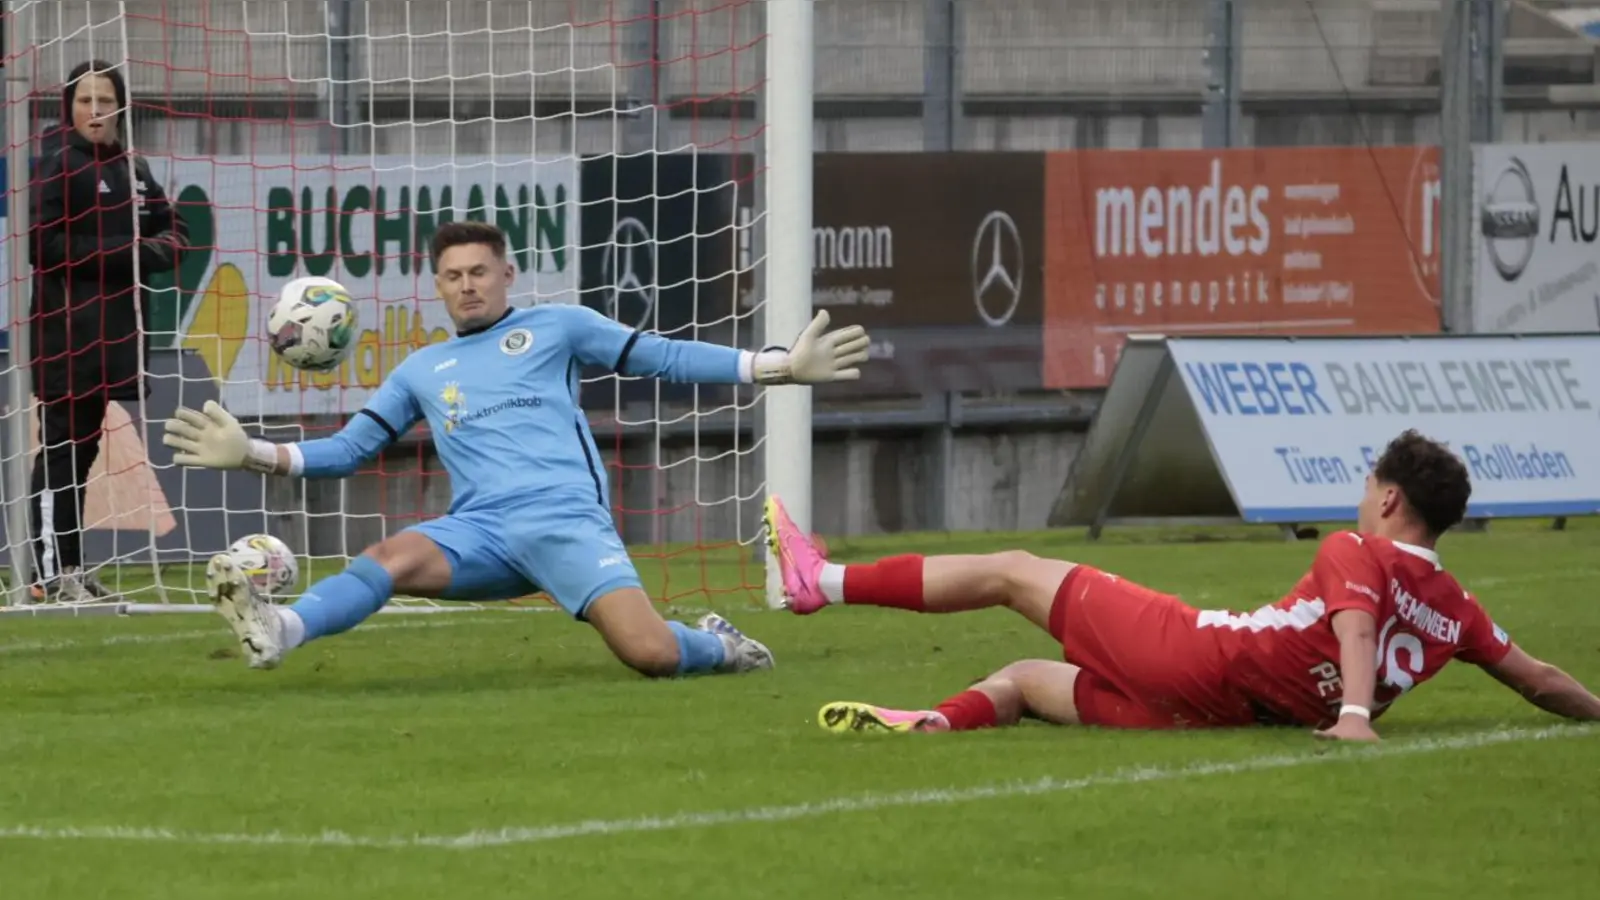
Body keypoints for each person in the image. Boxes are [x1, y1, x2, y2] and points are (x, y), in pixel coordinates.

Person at [162, 220, 870, 678]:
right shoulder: (420, 371)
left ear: (506, 274)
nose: (467, 285)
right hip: (480, 533)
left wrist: (773, 367)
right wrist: (253, 450)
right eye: (452, 276)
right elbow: (349, 450)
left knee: (650, 655)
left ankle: (717, 644)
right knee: (386, 557)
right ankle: (282, 629)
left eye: (479, 271)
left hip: (566, 520)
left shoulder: (558, 326)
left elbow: (662, 357)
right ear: (437, 287)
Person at [765, 430, 1600, 740]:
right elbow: (1538, 680)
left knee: (1015, 573)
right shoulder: (1458, 611)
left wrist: (1353, 718)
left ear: (1388, 498)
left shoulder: (1358, 550)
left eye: (1365, 484)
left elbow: (1353, 626)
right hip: (1222, 714)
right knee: (1021, 680)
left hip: (1198, 656)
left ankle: (819, 579)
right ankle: (937, 725)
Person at [29, 59, 187, 602]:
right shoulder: (56, 166)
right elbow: (44, 249)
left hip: (117, 336)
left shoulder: (134, 168)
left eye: (104, 100)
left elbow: (173, 228)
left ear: (120, 106)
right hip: (66, 336)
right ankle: (50, 573)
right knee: (60, 451)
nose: (95, 110)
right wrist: (130, 255)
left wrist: (159, 251)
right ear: (68, 108)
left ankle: (71, 567)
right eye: (84, 101)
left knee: (84, 451)